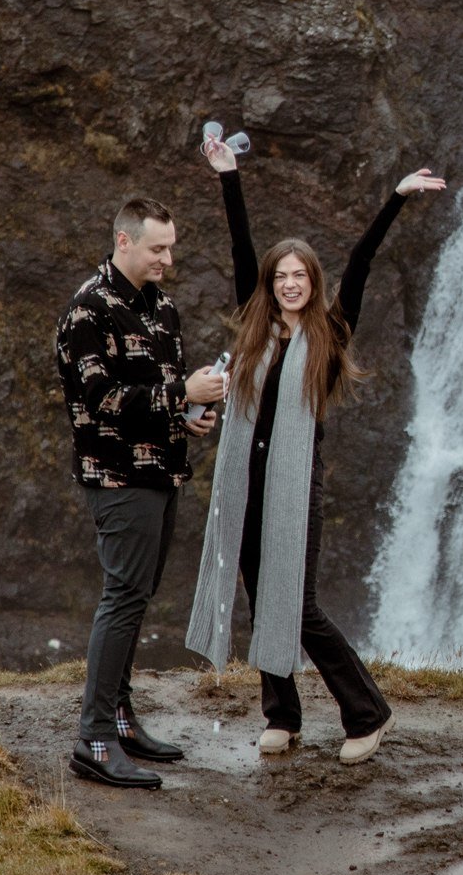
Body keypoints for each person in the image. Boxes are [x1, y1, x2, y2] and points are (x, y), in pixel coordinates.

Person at [184, 136, 446, 763]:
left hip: (299, 483)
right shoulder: (256, 325)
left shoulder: (331, 332)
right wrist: (230, 177)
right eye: (282, 276)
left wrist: (396, 198)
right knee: (258, 594)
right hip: (247, 479)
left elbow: (362, 260)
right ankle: (283, 714)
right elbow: (239, 247)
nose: (291, 284)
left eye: (300, 276)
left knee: (296, 604)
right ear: (270, 285)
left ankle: (367, 711)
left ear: (313, 283)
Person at [55, 196, 226, 790]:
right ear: (124, 241)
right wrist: (181, 392)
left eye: (171, 247)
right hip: (118, 479)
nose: (168, 259)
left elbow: (157, 398)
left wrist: (190, 415)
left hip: (162, 476)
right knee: (123, 596)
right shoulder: (88, 311)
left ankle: (121, 720)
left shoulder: (163, 309)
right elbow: (102, 402)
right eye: (158, 248)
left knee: (138, 594)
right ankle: (94, 739)